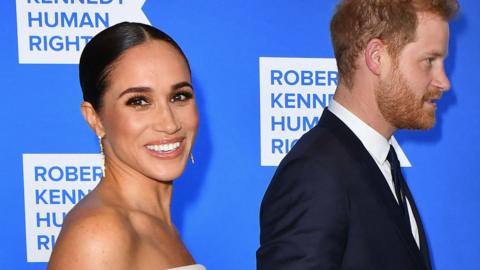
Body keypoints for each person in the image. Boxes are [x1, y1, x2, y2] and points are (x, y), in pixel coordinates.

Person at [257, 0, 458, 269]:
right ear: (377, 57)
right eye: (429, 61)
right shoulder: (315, 172)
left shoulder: (379, 162)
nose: (443, 81)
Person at [48, 22, 205, 270]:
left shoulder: (155, 224)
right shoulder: (98, 234)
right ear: (95, 119)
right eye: (139, 101)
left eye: (179, 96)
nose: (169, 123)